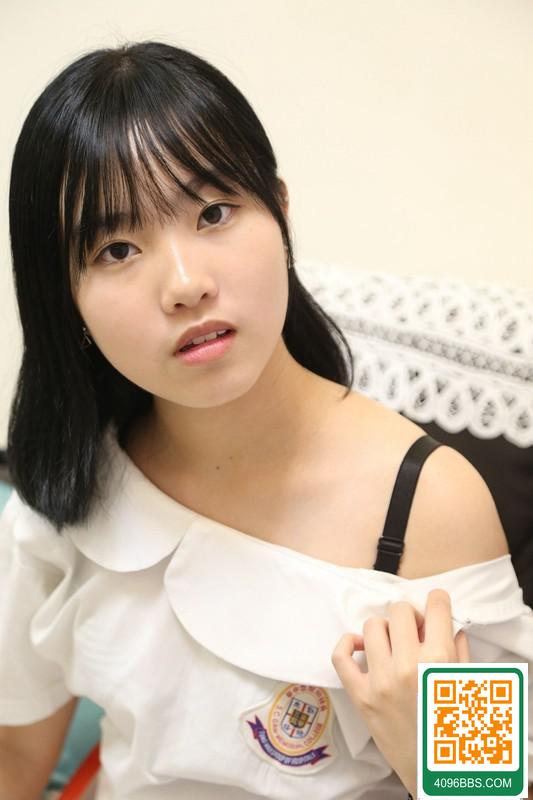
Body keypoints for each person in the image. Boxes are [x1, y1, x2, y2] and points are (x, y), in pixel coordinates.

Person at [0, 40, 531, 800]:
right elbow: (16, 763)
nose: (185, 284)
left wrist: (430, 759)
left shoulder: (431, 507)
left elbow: (495, 789)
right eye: (117, 249)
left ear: (279, 210)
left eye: (213, 213)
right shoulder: (68, 489)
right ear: (66, 297)